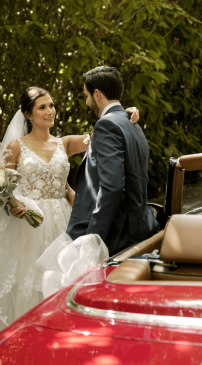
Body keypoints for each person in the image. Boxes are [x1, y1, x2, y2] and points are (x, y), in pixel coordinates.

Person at [0, 85, 139, 344]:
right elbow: (2, 184)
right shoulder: (16, 146)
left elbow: (104, 132)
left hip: (63, 222)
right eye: (42, 107)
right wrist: (13, 203)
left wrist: (125, 113)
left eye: (52, 105)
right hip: (28, 227)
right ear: (28, 115)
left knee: (62, 283)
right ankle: (28, 343)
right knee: (28, 286)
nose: (50, 111)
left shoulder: (64, 143)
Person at [66, 66, 160, 256]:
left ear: (97, 94)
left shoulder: (106, 125)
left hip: (118, 236)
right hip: (140, 225)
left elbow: (113, 187)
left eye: (86, 96)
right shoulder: (132, 123)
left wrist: (93, 238)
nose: (86, 102)